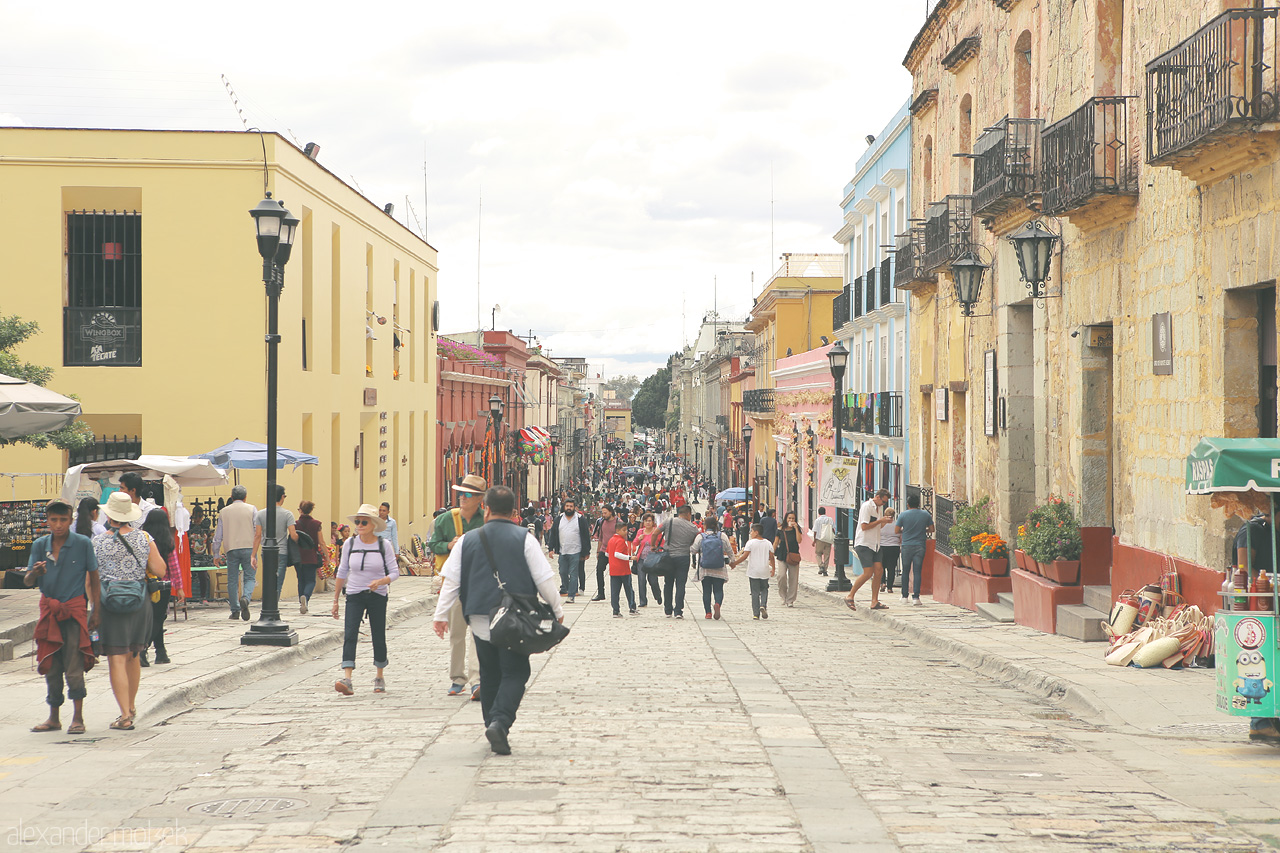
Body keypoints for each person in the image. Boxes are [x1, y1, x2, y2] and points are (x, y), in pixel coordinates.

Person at [432, 486, 564, 755]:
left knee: (489, 673)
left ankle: (491, 721)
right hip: (514, 618)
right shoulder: (524, 538)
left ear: (487, 509)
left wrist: (440, 615)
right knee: (516, 672)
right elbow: (543, 579)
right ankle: (501, 722)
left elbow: (451, 581)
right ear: (514, 512)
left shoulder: (468, 540)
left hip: (480, 617)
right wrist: (556, 608)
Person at [94, 492, 167, 731]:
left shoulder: (98, 542)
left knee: (116, 657)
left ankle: (124, 714)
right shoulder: (145, 538)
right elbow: (160, 569)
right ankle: (131, 707)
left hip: (109, 603)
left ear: (109, 514)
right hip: (139, 602)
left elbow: (90, 576)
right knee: (134, 654)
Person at [27, 500, 99, 735]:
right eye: (54, 520)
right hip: (49, 612)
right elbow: (28, 581)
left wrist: (96, 609)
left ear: (71, 520)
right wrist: (35, 572)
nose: (58, 525)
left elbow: (94, 576)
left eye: (63, 520)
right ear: (47, 520)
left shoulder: (83, 543)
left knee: (74, 666)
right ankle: (54, 717)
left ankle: (78, 717)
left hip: (74, 611)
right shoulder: (40, 545)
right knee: (51, 665)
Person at [427, 474, 487, 699]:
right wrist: (447, 544)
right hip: (455, 584)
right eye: (461, 493)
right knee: (457, 634)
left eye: (468, 494)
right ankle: (457, 678)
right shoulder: (446, 520)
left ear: (479, 499)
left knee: (479, 635)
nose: (462, 497)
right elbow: (432, 544)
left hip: (480, 584)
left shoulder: (486, 519)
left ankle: (476, 680)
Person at [332, 504, 400, 695]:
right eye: (357, 522)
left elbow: (395, 573)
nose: (359, 525)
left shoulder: (383, 545)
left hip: (377, 594)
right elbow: (342, 571)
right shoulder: (349, 544)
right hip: (354, 593)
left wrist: (381, 581)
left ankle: (379, 675)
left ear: (373, 525)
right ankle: (347, 678)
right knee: (350, 632)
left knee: (378, 634)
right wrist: (336, 599)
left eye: (363, 522)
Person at [212, 486, 258, 621]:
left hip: (231, 549)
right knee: (249, 577)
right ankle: (246, 598)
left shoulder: (224, 511)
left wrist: (216, 554)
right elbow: (257, 530)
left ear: (231, 498)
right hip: (249, 547)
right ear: (245, 497)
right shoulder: (252, 509)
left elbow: (218, 536)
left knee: (232, 580)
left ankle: (235, 610)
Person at [140, 510, 179, 666]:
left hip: (146, 583)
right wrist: (179, 586)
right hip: (163, 585)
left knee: (154, 618)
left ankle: (161, 652)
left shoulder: (144, 539)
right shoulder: (167, 541)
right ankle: (143, 649)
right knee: (158, 618)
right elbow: (173, 566)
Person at [846, 489, 892, 612]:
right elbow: (864, 526)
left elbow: (878, 525)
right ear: (877, 497)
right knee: (868, 573)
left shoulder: (879, 508)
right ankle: (850, 596)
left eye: (885, 502)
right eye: (883, 501)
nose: (883, 504)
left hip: (875, 544)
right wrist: (880, 521)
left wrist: (885, 522)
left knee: (879, 571)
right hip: (864, 543)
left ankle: (874, 601)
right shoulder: (867, 507)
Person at [254, 484, 299, 600]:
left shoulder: (260, 513)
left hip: (266, 551)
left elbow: (258, 535)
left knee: (268, 577)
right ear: (282, 497)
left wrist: (253, 554)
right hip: (281, 551)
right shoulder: (287, 514)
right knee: (278, 579)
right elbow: (293, 535)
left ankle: (267, 601)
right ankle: (274, 602)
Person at [547, 496, 591, 604]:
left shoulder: (580, 519)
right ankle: (566, 588)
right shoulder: (559, 519)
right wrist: (551, 548)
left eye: (571, 506)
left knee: (574, 573)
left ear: (574, 507)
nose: (569, 508)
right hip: (563, 550)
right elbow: (553, 534)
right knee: (562, 572)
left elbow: (586, 535)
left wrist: (586, 551)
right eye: (567, 506)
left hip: (576, 551)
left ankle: (571, 595)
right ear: (564, 507)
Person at [659, 505, 700, 619]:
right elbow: (695, 542)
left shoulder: (669, 521)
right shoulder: (693, 527)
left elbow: (655, 533)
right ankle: (678, 611)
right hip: (683, 557)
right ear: (688, 514)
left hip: (669, 556)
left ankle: (668, 610)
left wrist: (653, 546)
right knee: (680, 584)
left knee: (668, 583)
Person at [729, 523, 775, 619]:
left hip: (753, 571)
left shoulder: (750, 543)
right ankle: (763, 605)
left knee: (754, 592)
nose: (750, 533)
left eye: (752, 531)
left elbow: (744, 556)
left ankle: (756, 614)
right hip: (764, 570)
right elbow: (771, 557)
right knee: (764, 590)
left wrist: (735, 563)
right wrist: (773, 569)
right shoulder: (768, 543)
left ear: (756, 532)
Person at [895, 495, 935, 606]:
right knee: (917, 571)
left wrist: (906, 530)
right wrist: (923, 529)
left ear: (908, 504)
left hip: (907, 545)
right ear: (918, 504)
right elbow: (932, 529)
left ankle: (904, 596)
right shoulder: (925, 515)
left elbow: (896, 530)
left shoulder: (903, 515)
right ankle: (916, 597)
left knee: (906, 571)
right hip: (920, 545)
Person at [693, 517, 735, 620]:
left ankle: (708, 613)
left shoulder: (701, 537)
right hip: (719, 567)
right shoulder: (722, 536)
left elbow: (693, 550)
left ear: (705, 525)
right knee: (718, 589)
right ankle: (717, 604)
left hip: (705, 568)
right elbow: (729, 550)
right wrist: (732, 561)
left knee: (706, 591)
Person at [295, 501, 323, 615]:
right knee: (311, 580)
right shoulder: (316, 524)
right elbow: (321, 541)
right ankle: (305, 597)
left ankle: (301, 600)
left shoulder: (295, 524)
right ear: (311, 510)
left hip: (298, 555)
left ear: (300, 510)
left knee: (300, 579)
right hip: (311, 555)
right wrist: (325, 554)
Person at [632, 512, 663, 608]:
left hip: (652, 560)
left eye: (649, 521)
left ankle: (657, 595)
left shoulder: (656, 532)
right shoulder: (640, 531)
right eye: (646, 521)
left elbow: (662, 544)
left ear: (653, 522)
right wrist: (639, 539)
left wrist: (658, 551)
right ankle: (643, 601)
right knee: (641, 580)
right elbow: (635, 543)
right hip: (641, 559)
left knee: (653, 580)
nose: (648, 523)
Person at [606, 521, 637, 617]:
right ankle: (632, 607)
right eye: (624, 530)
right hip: (623, 569)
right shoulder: (620, 541)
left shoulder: (611, 540)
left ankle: (615, 610)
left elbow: (607, 553)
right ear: (617, 530)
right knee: (629, 589)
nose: (626, 532)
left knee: (615, 591)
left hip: (613, 570)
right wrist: (629, 557)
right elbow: (617, 554)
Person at [774, 510, 804, 607]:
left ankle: (790, 599)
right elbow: (776, 542)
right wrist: (770, 553)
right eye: (789, 518)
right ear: (786, 519)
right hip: (782, 555)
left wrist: (795, 528)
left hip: (793, 556)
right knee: (781, 576)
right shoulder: (780, 530)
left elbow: (799, 541)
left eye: (793, 518)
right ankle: (783, 596)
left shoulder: (797, 529)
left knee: (793, 579)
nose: (791, 520)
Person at [187, 504, 214, 604]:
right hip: (191, 555)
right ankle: (186, 596)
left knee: (203, 576)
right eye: (196, 516)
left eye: (200, 517)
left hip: (202, 555)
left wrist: (210, 554)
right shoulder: (189, 527)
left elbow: (209, 542)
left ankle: (203, 597)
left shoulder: (205, 528)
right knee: (188, 576)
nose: (198, 519)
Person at [590, 505, 618, 602]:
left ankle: (616, 593)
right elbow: (601, 537)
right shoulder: (602, 522)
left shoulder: (618, 522)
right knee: (599, 570)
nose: (603, 515)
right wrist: (598, 551)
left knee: (616, 573)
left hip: (615, 551)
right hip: (604, 550)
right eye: (602, 513)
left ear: (611, 512)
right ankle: (601, 593)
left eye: (605, 513)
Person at [879, 506, 901, 595]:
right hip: (894, 547)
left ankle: (883, 582)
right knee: (891, 568)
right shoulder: (896, 525)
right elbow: (900, 537)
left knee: (881, 567)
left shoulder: (881, 525)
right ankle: (890, 588)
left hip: (882, 547)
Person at [812, 507, 835, 577]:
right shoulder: (830, 519)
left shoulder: (817, 520)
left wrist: (814, 540)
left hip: (820, 539)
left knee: (818, 554)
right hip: (828, 539)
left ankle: (821, 566)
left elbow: (815, 531)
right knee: (827, 555)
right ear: (825, 512)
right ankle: (825, 570)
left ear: (819, 513)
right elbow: (833, 529)